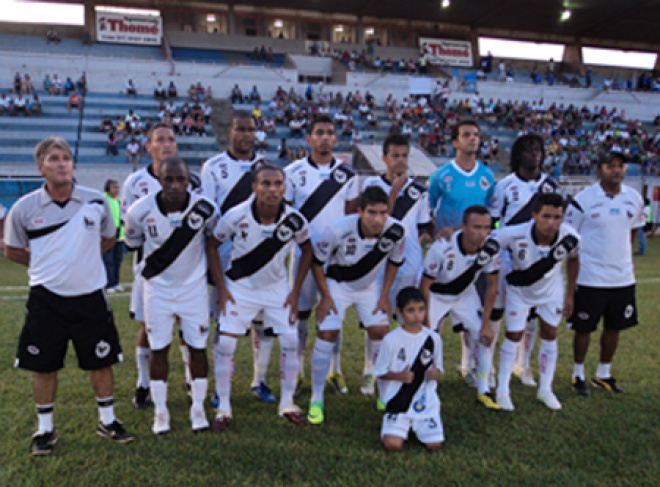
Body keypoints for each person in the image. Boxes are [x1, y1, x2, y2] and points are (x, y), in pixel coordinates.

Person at [4, 137, 133, 456]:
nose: (61, 163)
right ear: (40, 168)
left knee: (101, 361)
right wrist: (49, 263)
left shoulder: (96, 202)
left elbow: (108, 238)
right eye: (53, 159)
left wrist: (81, 260)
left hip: (90, 297)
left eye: (66, 158)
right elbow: (12, 249)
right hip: (46, 299)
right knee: (43, 365)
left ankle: (108, 420)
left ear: (73, 164)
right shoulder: (25, 207)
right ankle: (44, 429)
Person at [208, 163, 312, 430]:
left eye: (278, 183)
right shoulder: (236, 215)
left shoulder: (295, 220)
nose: (272, 189)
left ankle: (287, 403)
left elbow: (308, 249)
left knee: (290, 341)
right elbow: (212, 244)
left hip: (277, 290)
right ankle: (224, 408)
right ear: (254, 187)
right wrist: (221, 287)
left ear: (284, 187)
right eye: (265, 183)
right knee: (227, 345)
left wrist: (295, 290)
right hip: (240, 288)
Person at [125, 157, 218, 434]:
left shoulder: (206, 208)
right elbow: (134, 243)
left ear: (189, 181)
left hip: (194, 290)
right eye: (169, 179)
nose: (175, 185)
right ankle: (160, 412)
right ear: (159, 180)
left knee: (198, 349)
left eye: (181, 179)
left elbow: (213, 239)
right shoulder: (139, 211)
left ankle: (198, 408)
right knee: (159, 349)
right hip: (158, 290)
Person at [307, 186, 405, 425]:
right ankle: (316, 398)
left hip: (369, 288)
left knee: (381, 331)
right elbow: (317, 263)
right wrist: (326, 296)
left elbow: (394, 262)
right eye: (371, 212)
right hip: (337, 286)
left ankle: (384, 393)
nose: (377, 219)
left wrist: (384, 295)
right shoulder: (338, 230)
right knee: (327, 333)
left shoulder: (396, 232)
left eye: (383, 212)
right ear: (360, 211)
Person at [200, 111, 276, 405]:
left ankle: (260, 380)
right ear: (229, 131)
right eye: (240, 129)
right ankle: (222, 387)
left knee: (263, 321)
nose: (247, 135)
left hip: (262, 257)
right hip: (226, 257)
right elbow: (209, 210)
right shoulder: (214, 166)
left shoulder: (267, 167)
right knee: (225, 322)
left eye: (251, 130)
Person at [121, 122, 198, 409]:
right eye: (160, 140)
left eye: (171, 139)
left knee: (186, 326)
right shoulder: (135, 182)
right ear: (148, 146)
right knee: (148, 326)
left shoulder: (193, 181)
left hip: (187, 268)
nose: (167, 144)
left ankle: (191, 380)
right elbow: (130, 228)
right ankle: (143, 383)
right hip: (150, 269)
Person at [284, 114, 359, 396]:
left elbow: (352, 217)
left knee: (333, 315)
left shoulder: (349, 175)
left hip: (335, 259)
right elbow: (288, 216)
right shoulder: (292, 172)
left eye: (330, 132)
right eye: (319, 132)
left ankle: (334, 370)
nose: (325, 137)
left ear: (336, 138)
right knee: (300, 315)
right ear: (309, 138)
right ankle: (300, 371)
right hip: (303, 256)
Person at [564, 152, 645, 396]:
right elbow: (570, 236)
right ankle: (577, 375)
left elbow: (632, 232)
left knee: (614, 327)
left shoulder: (634, 197)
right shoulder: (584, 199)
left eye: (621, 166)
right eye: (611, 166)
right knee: (584, 328)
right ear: (599, 171)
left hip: (622, 278)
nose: (617, 170)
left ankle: (603, 373)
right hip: (590, 278)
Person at [361, 134, 432, 399]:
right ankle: (372, 369)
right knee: (377, 320)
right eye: (395, 156)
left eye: (404, 156)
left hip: (410, 264)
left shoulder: (419, 190)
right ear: (384, 158)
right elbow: (378, 220)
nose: (400, 161)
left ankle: (404, 369)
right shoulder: (372, 184)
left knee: (407, 318)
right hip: (379, 262)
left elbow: (422, 226)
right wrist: (393, 192)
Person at [493, 193, 580, 411]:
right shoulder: (514, 234)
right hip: (519, 292)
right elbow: (486, 238)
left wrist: (570, 294)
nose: (552, 223)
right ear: (534, 216)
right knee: (513, 335)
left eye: (557, 217)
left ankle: (545, 389)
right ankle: (503, 390)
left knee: (550, 334)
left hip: (551, 293)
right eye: (547, 216)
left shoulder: (570, 236)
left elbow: (574, 258)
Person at [488, 134, 561, 389]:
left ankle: (523, 363)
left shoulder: (551, 186)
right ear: (518, 154)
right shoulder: (505, 185)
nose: (534, 153)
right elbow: (495, 222)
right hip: (508, 258)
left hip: (537, 258)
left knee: (531, 315)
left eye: (538, 149)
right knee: (496, 311)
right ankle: (490, 366)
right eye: (528, 148)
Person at [427, 119, 496, 385]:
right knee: (438, 317)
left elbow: (492, 214)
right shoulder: (441, 175)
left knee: (473, 314)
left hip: (476, 257)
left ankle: (469, 366)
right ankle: (432, 366)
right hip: (447, 258)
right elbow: (427, 209)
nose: (472, 139)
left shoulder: (487, 176)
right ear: (455, 142)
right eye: (466, 135)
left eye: (476, 135)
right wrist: (439, 232)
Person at [420, 206, 501, 410]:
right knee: (426, 337)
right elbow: (425, 285)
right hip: (436, 295)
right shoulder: (442, 247)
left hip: (464, 295)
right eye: (476, 227)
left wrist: (486, 324)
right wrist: (426, 320)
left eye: (486, 228)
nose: (482, 233)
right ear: (463, 227)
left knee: (483, 337)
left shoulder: (490, 248)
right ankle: (426, 384)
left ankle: (483, 389)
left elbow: (492, 286)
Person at [374, 287, 444, 451]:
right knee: (392, 445)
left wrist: (434, 374)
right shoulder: (391, 340)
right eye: (411, 310)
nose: (417, 315)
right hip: (398, 400)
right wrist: (399, 376)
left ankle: (421, 423)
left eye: (421, 309)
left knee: (435, 445)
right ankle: (400, 423)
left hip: (425, 402)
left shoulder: (433, 339)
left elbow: (438, 368)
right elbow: (380, 372)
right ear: (399, 312)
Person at [102, 180, 124, 293]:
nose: (117, 189)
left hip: (119, 234)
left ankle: (116, 282)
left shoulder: (120, 201)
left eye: (117, 187)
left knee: (117, 260)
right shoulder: (104, 200)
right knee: (108, 260)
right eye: (114, 187)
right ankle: (108, 283)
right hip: (107, 234)